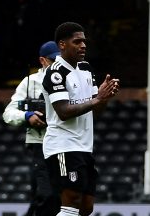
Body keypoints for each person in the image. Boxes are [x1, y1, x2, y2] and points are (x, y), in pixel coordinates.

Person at [42, 22, 121, 216]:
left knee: (86, 207)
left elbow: (96, 110)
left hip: (85, 146)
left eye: (84, 42)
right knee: (72, 202)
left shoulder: (86, 68)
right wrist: (97, 99)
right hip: (63, 145)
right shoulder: (55, 73)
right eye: (77, 41)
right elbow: (63, 111)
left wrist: (105, 97)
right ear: (62, 44)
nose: (83, 45)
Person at [3, 41, 63, 216]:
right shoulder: (30, 82)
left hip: (65, 145)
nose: (58, 64)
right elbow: (8, 113)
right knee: (46, 195)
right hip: (41, 144)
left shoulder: (70, 79)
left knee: (58, 197)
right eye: (54, 60)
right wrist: (27, 116)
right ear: (42, 61)